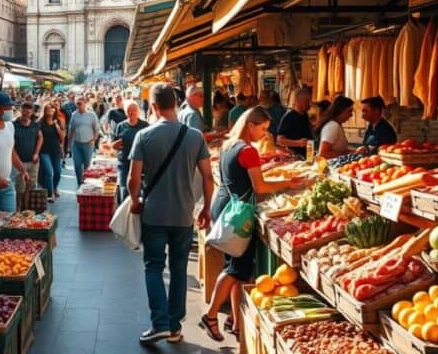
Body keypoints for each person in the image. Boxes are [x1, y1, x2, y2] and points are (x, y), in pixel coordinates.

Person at [201, 106, 303, 341]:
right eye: (263, 128)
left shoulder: (229, 145)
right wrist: (289, 182)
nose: (265, 134)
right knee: (236, 269)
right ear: (250, 125)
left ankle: (236, 322)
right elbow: (260, 187)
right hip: (238, 214)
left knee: (239, 270)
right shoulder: (248, 151)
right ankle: (211, 314)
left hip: (224, 206)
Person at [128, 83, 213, 345]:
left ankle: (160, 324)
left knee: (153, 266)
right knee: (178, 269)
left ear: (153, 106)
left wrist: (134, 200)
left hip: (154, 214)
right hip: (183, 215)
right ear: (176, 104)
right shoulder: (195, 136)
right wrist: (207, 208)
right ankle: (174, 326)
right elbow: (208, 177)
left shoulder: (144, 136)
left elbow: (133, 179)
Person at [112, 100, 148, 204]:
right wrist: (116, 144)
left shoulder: (145, 125)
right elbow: (113, 145)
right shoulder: (120, 126)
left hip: (141, 165)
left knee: (140, 193)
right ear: (126, 112)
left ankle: (137, 216)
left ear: (138, 111)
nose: (131, 113)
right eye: (129, 110)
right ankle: (125, 217)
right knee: (124, 192)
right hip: (124, 164)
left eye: (134, 110)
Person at [12, 103, 43, 210]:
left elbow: (40, 138)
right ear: (21, 110)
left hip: (32, 161)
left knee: (30, 186)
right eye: (24, 111)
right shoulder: (14, 125)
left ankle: (26, 208)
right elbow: (11, 143)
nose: (26, 114)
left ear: (32, 113)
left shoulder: (35, 125)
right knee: (19, 187)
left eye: (29, 112)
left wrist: (36, 153)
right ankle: (18, 207)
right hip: (19, 162)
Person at [67, 97, 100, 186]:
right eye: (77, 104)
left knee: (87, 166)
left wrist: (93, 140)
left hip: (88, 143)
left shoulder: (91, 115)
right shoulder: (74, 115)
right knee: (77, 165)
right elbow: (71, 129)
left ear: (85, 104)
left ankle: (87, 184)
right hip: (76, 144)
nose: (78, 106)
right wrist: (69, 144)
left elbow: (97, 129)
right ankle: (80, 183)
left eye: (80, 104)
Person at [38, 103, 64, 202]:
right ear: (45, 111)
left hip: (55, 151)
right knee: (49, 172)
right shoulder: (40, 123)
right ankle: (50, 193)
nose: (50, 110)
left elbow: (62, 137)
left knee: (58, 172)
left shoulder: (58, 122)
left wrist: (56, 126)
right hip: (44, 151)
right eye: (48, 108)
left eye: (52, 108)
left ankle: (54, 187)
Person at [276, 88, 313, 156]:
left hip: (308, 155)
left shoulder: (305, 114)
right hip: (295, 156)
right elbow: (280, 140)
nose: (310, 103)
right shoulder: (289, 116)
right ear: (298, 101)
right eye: (307, 101)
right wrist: (298, 143)